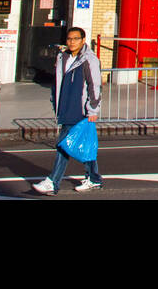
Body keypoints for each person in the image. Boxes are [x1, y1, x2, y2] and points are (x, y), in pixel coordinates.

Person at [33, 28, 103, 195]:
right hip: (65, 107)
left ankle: (53, 182)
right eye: (69, 38)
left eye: (76, 38)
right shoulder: (62, 57)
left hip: (79, 110)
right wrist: (54, 101)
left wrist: (93, 109)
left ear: (83, 40)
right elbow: (57, 83)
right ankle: (94, 178)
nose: (72, 42)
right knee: (84, 145)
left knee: (63, 146)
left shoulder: (89, 59)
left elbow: (95, 86)